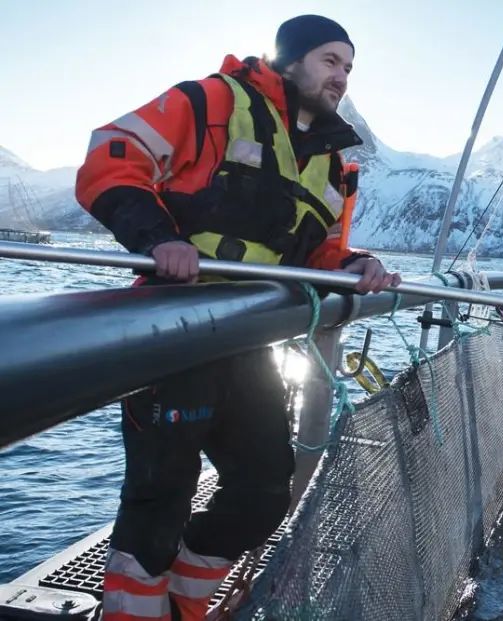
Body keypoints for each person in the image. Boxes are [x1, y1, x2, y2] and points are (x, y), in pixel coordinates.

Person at [74, 15, 399, 621]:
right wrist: (157, 238)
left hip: (252, 338)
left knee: (265, 488)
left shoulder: (334, 162)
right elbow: (111, 156)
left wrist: (360, 263)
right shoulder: (210, 100)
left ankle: (181, 606)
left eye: (349, 67)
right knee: (159, 496)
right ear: (292, 59)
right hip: (174, 328)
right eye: (330, 61)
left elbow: (323, 249)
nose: (342, 77)